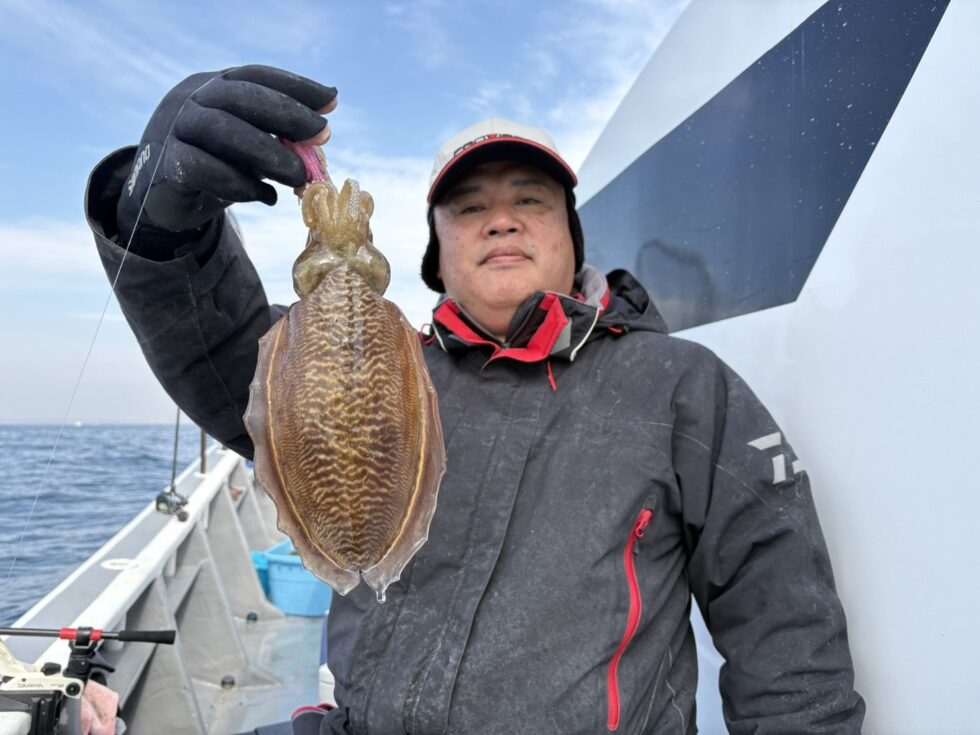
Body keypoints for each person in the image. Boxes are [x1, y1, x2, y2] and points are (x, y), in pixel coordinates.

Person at [85, 66, 865, 733]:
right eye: (467, 208)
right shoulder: (380, 363)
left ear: (571, 237)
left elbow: (787, 632)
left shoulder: (685, 385)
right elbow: (232, 366)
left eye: (530, 200)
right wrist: (160, 234)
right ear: (435, 255)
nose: (500, 219)